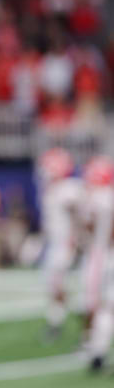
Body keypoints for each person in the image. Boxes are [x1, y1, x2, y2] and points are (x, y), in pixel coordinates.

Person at [35, 148, 83, 339]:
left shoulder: (70, 189)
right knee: (52, 284)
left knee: (59, 284)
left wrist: (76, 241)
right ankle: (57, 321)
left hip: (66, 242)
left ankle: (80, 321)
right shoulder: (50, 189)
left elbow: (79, 216)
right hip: (54, 242)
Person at [79, 155, 114, 371]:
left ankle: (96, 350)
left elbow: (89, 227)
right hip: (108, 255)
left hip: (99, 256)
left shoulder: (94, 198)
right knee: (107, 307)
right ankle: (97, 349)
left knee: (100, 306)